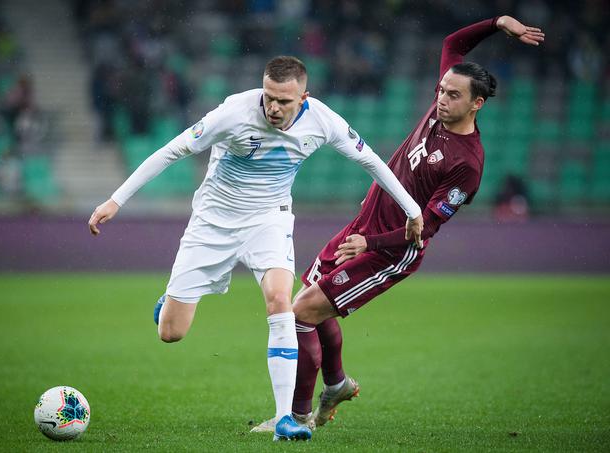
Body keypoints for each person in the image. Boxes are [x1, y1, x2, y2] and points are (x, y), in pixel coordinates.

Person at [87, 56, 424, 441]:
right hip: (213, 222)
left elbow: (372, 161)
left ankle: (285, 420)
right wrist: (115, 200)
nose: (274, 108)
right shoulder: (233, 113)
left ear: (304, 97)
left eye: (285, 100)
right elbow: (172, 150)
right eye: (269, 97)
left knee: (281, 300)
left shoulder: (323, 121)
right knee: (171, 333)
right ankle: (168, 303)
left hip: (270, 218)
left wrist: (413, 211)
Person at [251, 16, 545, 432]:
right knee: (310, 305)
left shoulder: (467, 167)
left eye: (454, 95)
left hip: (388, 253)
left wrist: (369, 244)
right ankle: (335, 384)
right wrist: (498, 24)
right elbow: (453, 43)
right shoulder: (439, 108)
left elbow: (423, 228)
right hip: (362, 227)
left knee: (299, 314)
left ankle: (296, 417)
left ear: (477, 103)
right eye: (441, 90)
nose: (442, 99)